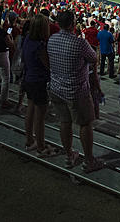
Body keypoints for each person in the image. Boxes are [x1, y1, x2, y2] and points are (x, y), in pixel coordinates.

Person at [47, 9, 103, 173]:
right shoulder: (79, 43)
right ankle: (89, 160)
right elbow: (94, 58)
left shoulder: (52, 39)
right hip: (76, 91)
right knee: (85, 124)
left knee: (64, 122)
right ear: (72, 24)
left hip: (56, 88)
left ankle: (69, 155)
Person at [21, 14, 57, 156]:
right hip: (39, 81)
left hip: (29, 78)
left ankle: (30, 140)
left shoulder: (28, 39)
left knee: (30, 110)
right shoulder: (40, 46)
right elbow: (48, 66)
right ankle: (41, 147)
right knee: (40, 116)